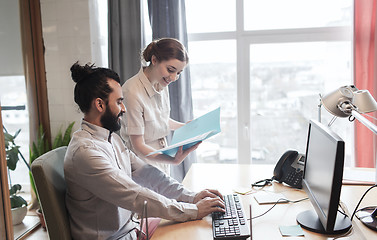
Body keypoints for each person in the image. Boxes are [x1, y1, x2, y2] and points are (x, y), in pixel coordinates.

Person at [64, 62, 225, 240]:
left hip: (130, 230)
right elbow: (135, 195)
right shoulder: (85, 153)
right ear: (100, 105)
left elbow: (148, 174)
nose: (123, 109)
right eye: (119, 102)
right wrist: (193, 210)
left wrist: (191, 197)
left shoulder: (112, 139)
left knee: (198, 230)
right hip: (115, 238)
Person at [120, 38, 191, 175]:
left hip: (160, 158)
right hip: (142, 163)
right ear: (154, 60)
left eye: (178, 73)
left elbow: (160, 120)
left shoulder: (162, 84)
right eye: (171, 70)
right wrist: (172, 160)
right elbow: (138, 145)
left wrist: (186, 127)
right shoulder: (132, 91)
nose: (174, 77)